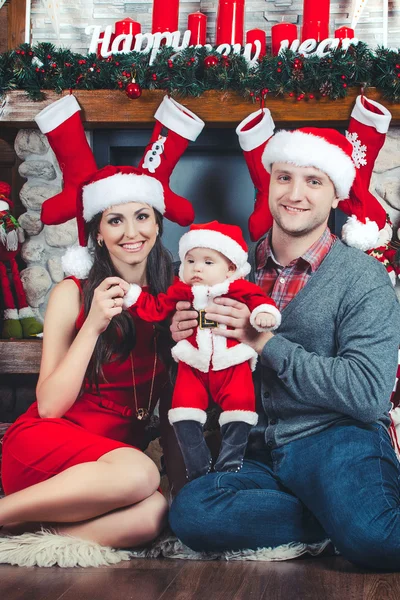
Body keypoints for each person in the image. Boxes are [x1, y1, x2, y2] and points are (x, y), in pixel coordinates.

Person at [168, 120, 400, 570]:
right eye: (285, 177)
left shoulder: (363, 278)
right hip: (259, 451)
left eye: (314, 181)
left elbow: (369, 395)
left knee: (379, 542)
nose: (295, 193)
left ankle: (354, 518)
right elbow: (216, 374)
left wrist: (265, 342)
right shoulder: (232, 270)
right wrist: (188, 336)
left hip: (338, 442)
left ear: (336, 195)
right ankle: (335, 519)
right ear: (269, 183)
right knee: (192, 513)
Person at [0, 94, 205, 551]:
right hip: (47, 449)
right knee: (139, 472)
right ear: (97, 231)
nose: (131, 232)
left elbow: (173, 412)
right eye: (116, 220)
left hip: (113, 472)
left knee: (155, 512)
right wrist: (91, 325)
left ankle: (30, 539)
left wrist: (187, 489)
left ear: (157, 223)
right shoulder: (71, 293)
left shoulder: (175, 298)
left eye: (141, 217)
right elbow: (50, 406)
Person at [122, 220, 281, 480]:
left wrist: (264, 314)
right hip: (193, 364)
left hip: (232, 363)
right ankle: (197, 464)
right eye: (191, 261)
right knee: (183, 409)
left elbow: (259, 300)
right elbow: (157, 307)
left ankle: (230, 463)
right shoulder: (181, 291)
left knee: (240, 408)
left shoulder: (237, 288)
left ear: (230, 268)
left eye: (208, 262)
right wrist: (134, 296)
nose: (197, 268)